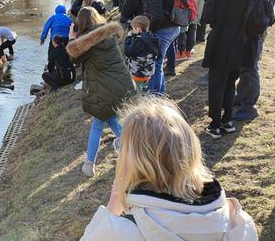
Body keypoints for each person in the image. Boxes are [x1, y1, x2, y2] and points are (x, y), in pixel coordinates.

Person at [80, 97, 258, 240]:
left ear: (133, 161)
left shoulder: (118, 232)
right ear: (191, 151)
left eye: (123, 148)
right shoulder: (240, 222)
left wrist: (113, 205)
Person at [201, 0, 274, 138]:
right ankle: (227, 121)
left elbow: (208, 16)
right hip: (245, 42)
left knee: (217, 83)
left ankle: (216, 124)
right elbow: (269, 15)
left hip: (222, 41)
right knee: (231, 82)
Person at [66, 7, 135, 177]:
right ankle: (132, 148)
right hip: (122, 83)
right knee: (110, 119)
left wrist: (71, 38)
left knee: (98, 124)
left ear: (80, 24)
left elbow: (73, 58)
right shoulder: (107, 35)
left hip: (104, 89)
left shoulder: (86, 42)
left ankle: (90, 165)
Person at [137, 0, 180, 94]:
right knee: (158, 62)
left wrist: (148, 31)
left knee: (155, 63)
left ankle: (155, 96)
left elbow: (157, 15)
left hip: (164, 28)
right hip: (174, 24)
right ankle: (158, 94)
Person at [124, 16, 160, 92]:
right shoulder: (154, 38)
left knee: (137, 90)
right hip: (148, 72)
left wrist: (129, 38)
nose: (132, 30)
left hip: (137, 72)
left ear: (138, 29)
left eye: (133, 28)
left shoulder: (139, 41)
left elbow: (127, 52)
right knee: (143, 87)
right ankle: (144, 97)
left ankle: (139, 101)